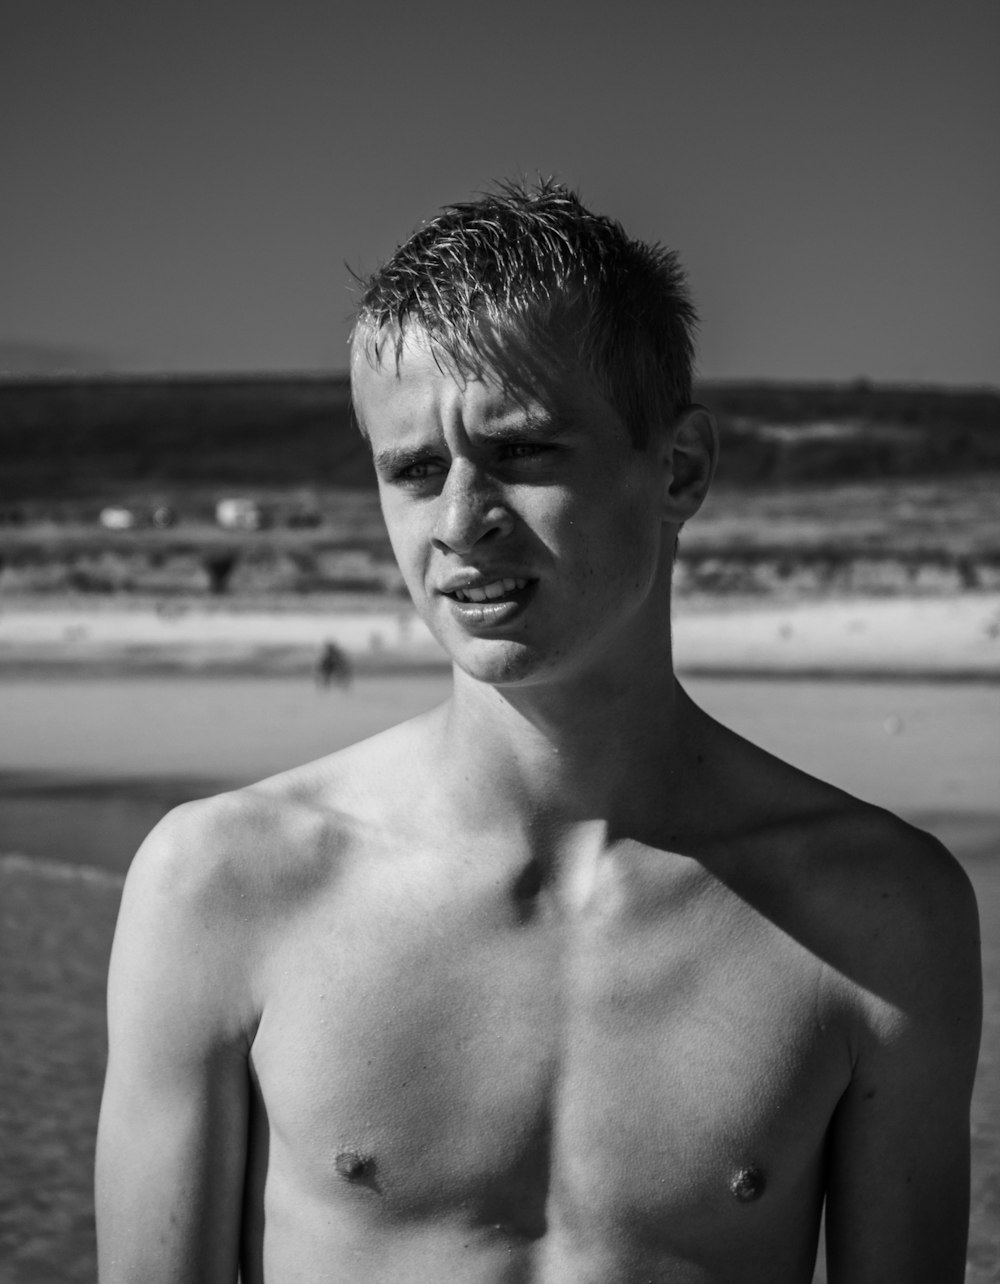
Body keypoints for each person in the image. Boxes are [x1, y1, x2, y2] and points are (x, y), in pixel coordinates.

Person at [96, 181, 982, 1283]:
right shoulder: (224, 886)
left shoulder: (880, 914)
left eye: (520, 454)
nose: (462, 524)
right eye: (416, 470)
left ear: (679, 469)